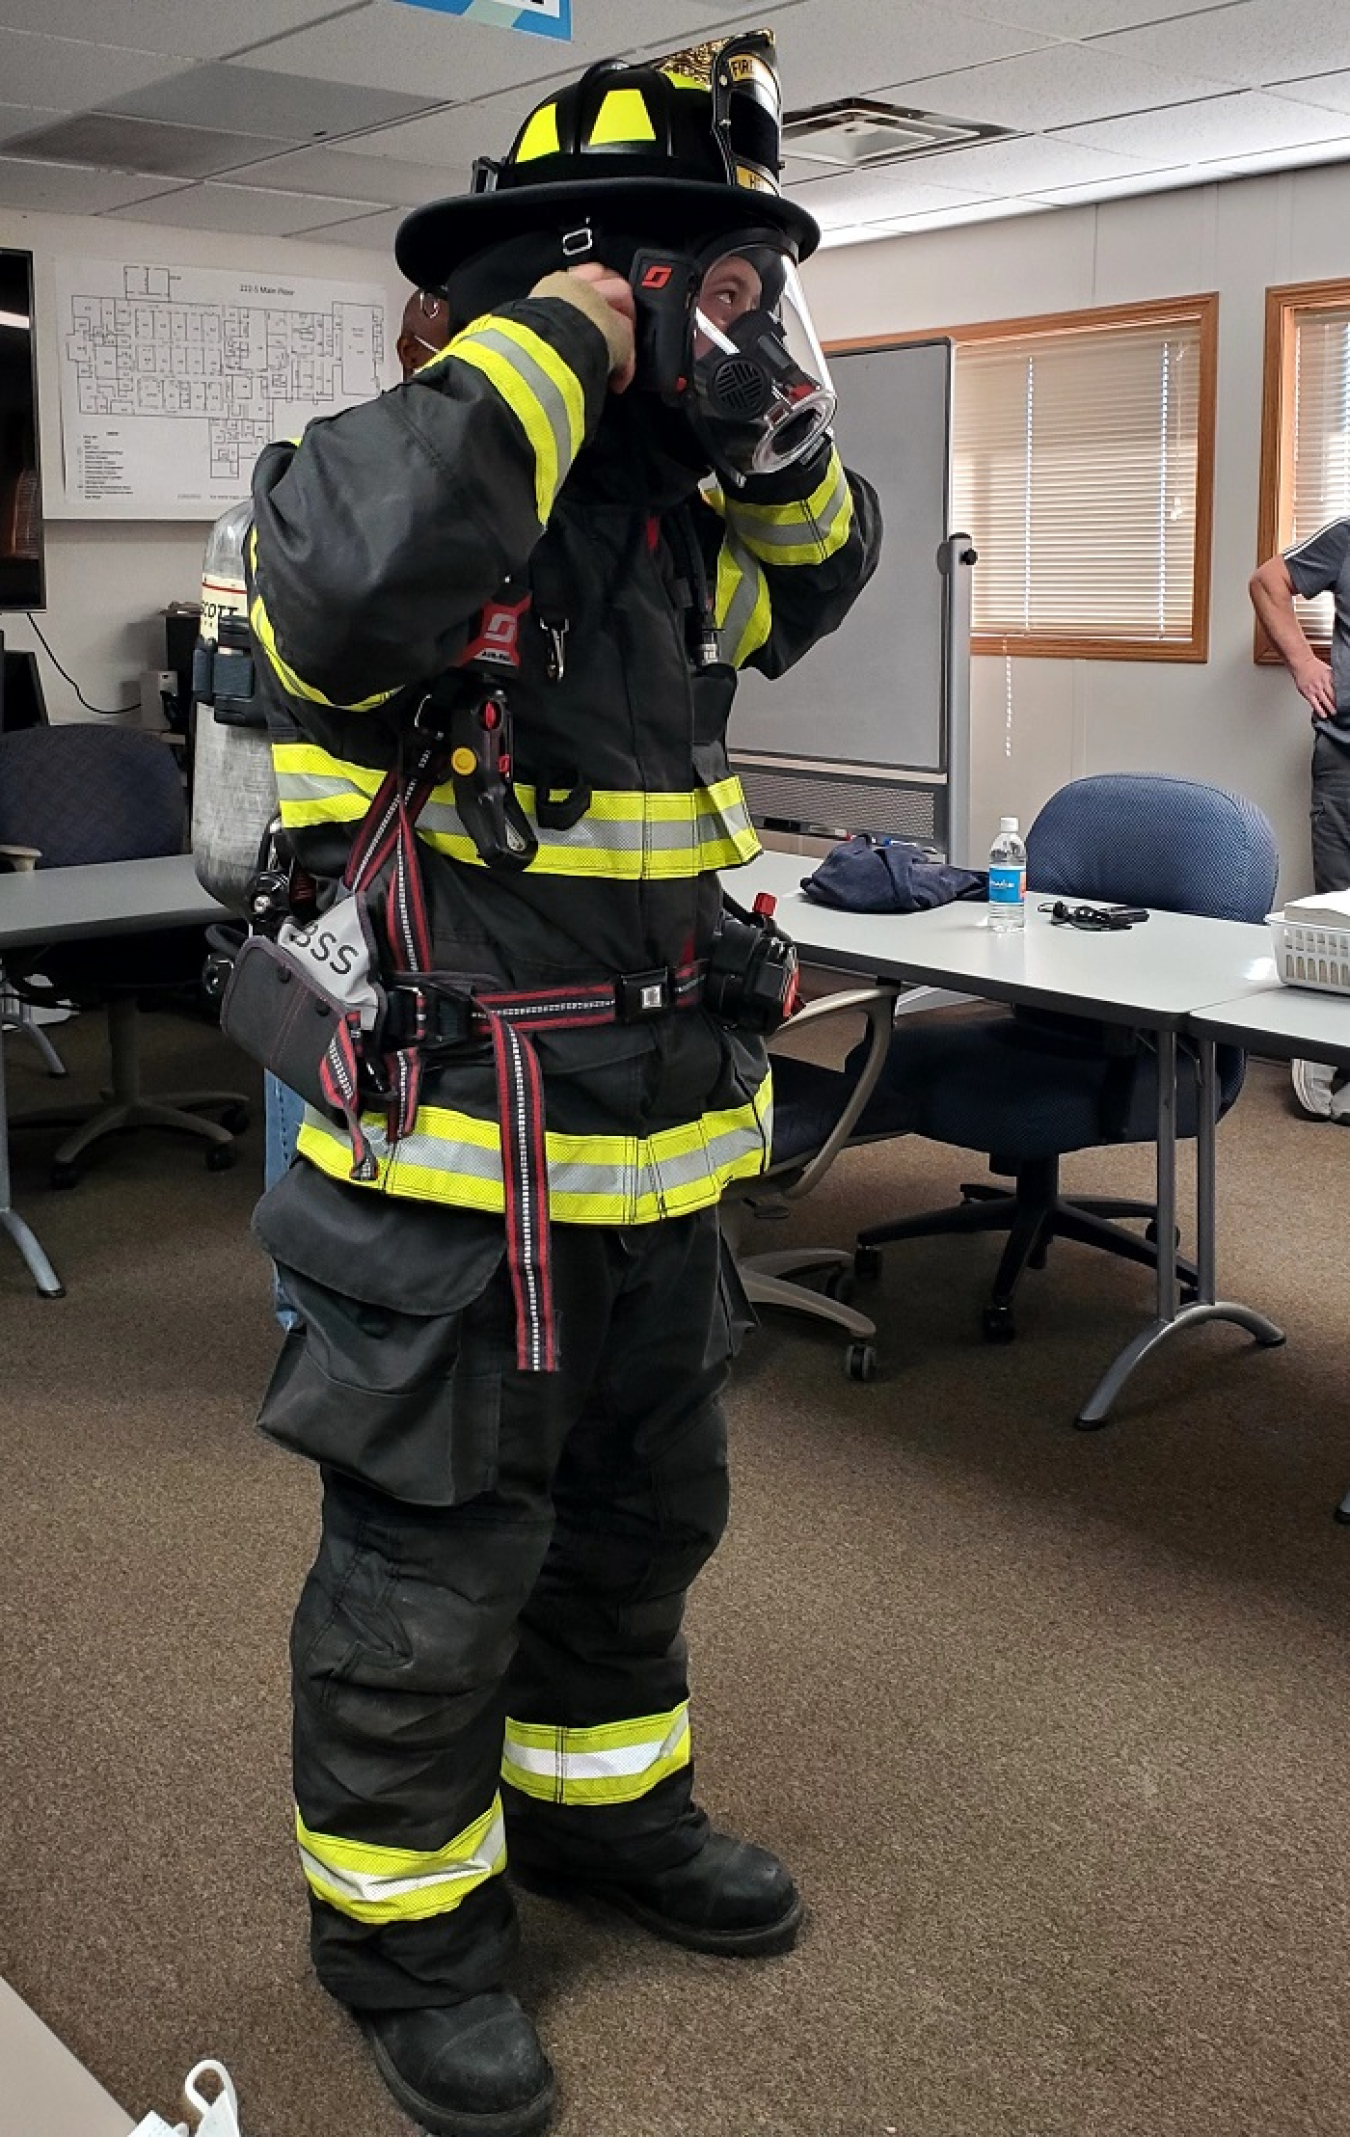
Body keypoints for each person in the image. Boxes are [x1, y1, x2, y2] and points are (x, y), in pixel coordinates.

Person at [243, 33, 881, 2137]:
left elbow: (830, 564)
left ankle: (604, 1812)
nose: (715, 322)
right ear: (542, 287)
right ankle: (406, 1940)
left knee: (635, 1537)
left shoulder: (679, 526)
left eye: (741, 283)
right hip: (445, 1196)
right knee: (433, 1581)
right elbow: (341, 590)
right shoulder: (377, 486)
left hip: (656, 1176)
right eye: (683, 285)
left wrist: (766, 413)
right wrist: (560, 339)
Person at [262, 281, 460, 1325]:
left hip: (376, 889)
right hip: (351, 883)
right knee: (327, 1107)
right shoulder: (362, 515)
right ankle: (313, 1311)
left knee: (342, 1104)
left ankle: (318, 1308)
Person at [1250, 521, 1350, 1116]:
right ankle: (1327, 1060)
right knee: (1338, 913)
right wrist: (1304, 664)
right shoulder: (1346, 536)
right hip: (1344, 755)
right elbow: (1268, 581)